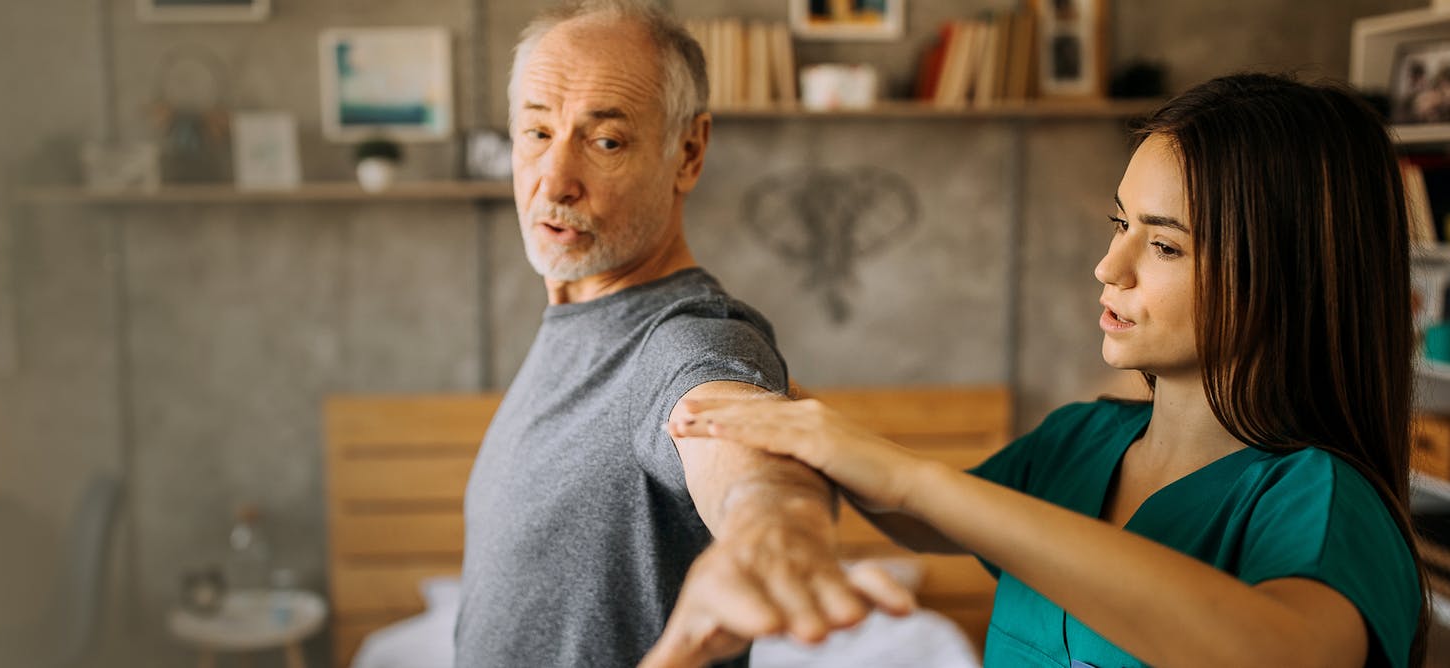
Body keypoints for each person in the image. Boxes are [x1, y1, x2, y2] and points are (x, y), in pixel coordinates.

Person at [650, 73, 1429, 667]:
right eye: (1120, 224)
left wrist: (911, 475)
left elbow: (1275, 651)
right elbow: (932, 522)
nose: (1108, 266)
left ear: (1290, 275)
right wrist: (775, 406)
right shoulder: (1083, 439)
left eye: (1163, 245)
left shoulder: (1323, 502)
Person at [455, 1, 914, 666]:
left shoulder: (690, 336)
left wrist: (767, 525)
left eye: (605, 141)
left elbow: (738, 432)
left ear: (688, 154)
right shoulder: (578, 318)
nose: (553, 181)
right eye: (536, 133)